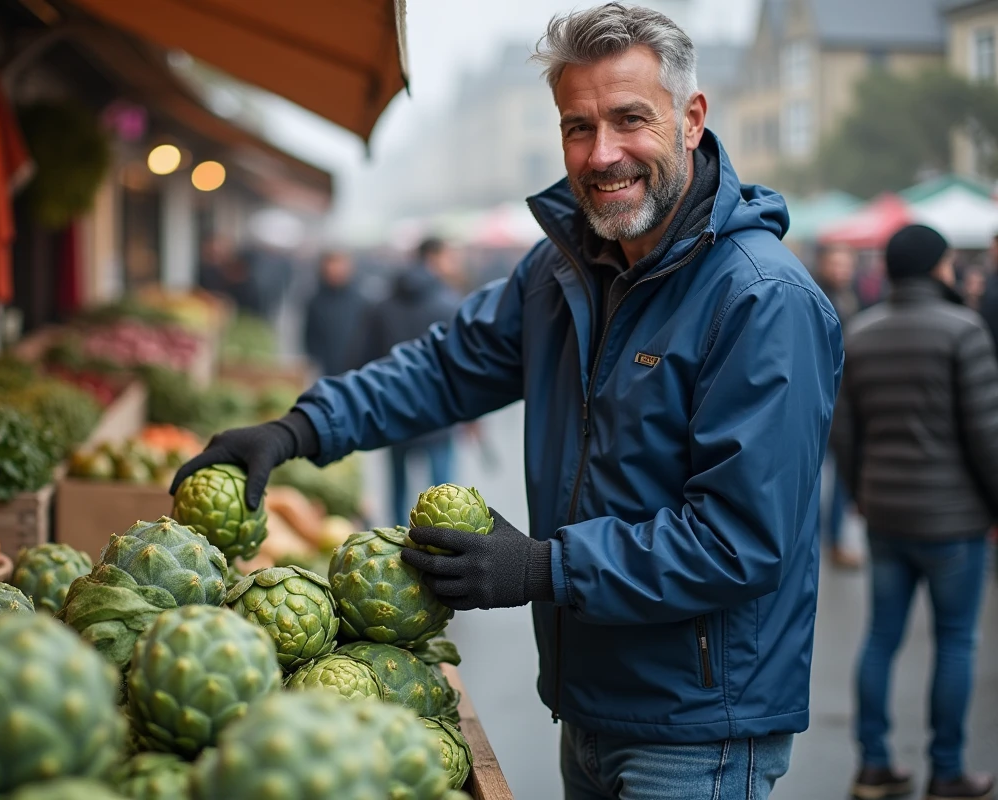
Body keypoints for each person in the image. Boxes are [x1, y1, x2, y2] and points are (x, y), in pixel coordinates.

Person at [172, 5, 842, 798]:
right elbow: (444, 369)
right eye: (578, 127)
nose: (602, 153)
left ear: (691, 119)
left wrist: (544, 567)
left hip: (699, 731)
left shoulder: (761, 299)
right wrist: (302, 428)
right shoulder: (563, 270)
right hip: (588, 704)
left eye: (630, 119)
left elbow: (739, 541)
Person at [832, 224, 996, 800]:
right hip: (955, 521)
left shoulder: (862, 332)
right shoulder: (964, 330)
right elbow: (987, 435)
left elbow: (843, 433)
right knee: (955, 641)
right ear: (935, 267)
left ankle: (873, 765)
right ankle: (946, 771)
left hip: (885, 516)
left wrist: (860, 492)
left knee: (880, 638)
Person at [353, 237, 464, 526]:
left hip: (394, 407)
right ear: (433, 257)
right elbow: (463, 364)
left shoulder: (382, 305)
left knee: (397, 484)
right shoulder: (449, 304)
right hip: (440, 409)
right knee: (445, 493)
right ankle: (447, 542)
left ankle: (397, 537)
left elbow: (365, 359)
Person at [814, 244, 862, 568]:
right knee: (821, 474)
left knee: (839, 474)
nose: (841, 270)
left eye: (846, 264)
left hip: (843, 398)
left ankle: (832, 540)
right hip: (826, 397)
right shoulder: (820, 296)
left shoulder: (847, 297)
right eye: (836, 264)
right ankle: (825, 541)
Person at [302, 250, 367, 377]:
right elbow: (310, 336)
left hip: (354, 368)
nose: (336, 271)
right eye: (332, 267)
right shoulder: (315, 301)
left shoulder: (361, 301)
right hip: (326, 368)